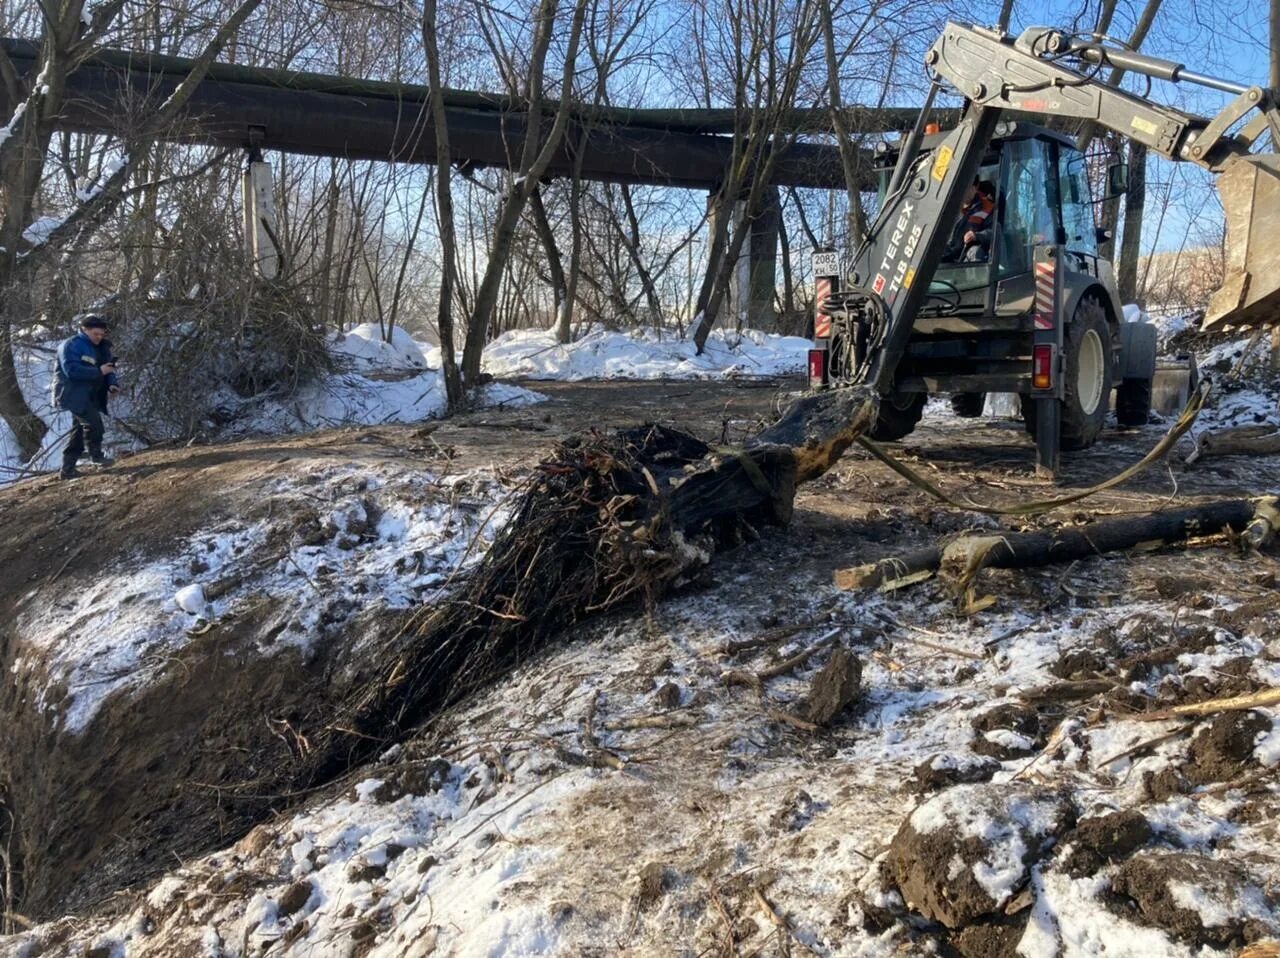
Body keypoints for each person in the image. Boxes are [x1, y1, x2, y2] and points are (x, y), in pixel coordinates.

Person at [54, 313, 119, 479]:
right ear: (84, 329)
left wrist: (112, 383)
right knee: (94, 425)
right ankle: (96, 457)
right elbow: (71, 371)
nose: (99, 337)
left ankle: (67, 469)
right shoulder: (70, 346)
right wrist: (99, 371)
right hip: (72, 394)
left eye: (102, 334)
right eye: (95, 334)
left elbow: (108, 367)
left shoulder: (102, 347)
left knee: (78, 431)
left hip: (90, 394)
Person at [943, 178, 996, 263]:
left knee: (975, 252)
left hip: (967, 253)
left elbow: (994, 232)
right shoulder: (950, 205)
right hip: (950, 251)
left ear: (975, 188)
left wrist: (976, 235)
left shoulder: (987, 208)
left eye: (966, 187)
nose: (962, 191)